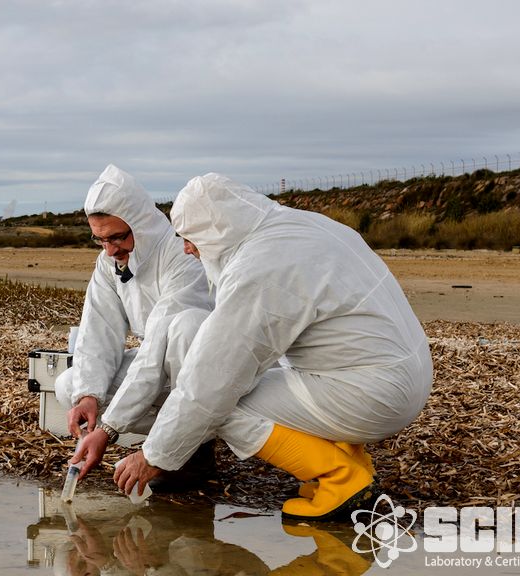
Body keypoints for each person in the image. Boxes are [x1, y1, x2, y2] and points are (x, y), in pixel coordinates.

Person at [114, 172, 432, 521]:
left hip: (373, 394)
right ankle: (352, 459)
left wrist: (153, 456)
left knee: (221, 405)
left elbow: (210, 385)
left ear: (215, 230)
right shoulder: (303, 226)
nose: (187, 249)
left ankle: (341, 480)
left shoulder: (258, 267)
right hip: (401, 376)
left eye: (189, 238)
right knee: (249, 383)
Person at [58, 164, 214, 489]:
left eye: (117, 237)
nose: (110, 249)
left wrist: (108, 429)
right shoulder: (108, 262)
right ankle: (171, 436)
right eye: (101, 240)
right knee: (69, 385)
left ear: (141, 225)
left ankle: (193, 450)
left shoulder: (181, 256)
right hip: (158, 371)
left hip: (202, 375)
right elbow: (98, 333)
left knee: (186, 326)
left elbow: (158, 349)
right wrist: (88, 396)